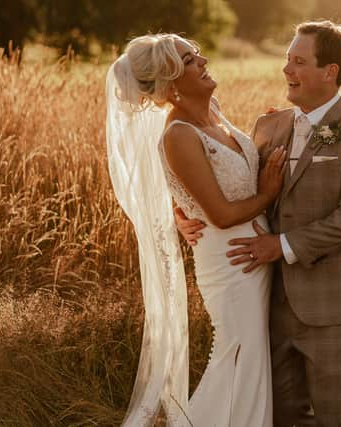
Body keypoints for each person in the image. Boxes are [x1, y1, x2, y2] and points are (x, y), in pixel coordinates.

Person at [176, 21, 341, 427]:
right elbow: (225, 179)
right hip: (271, 303)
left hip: (336, 306)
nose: (286, 70)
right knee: (279, 415)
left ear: (330, 72)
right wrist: (183, 213)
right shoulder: (268, 126)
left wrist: (281, 245)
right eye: (287, 60)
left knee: (335, 419)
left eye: (299, 62)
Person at [105, 33, 286, 427]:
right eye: (190, 60)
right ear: (171, 85)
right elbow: (220, 214)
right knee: (238, 353)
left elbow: (216, 175)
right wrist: (269, 193)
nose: (203, 61)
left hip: (255, 254)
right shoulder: (178, 135)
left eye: (197, 54)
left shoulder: (214, 111)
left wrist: (271, 128)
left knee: (251, 357)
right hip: (230, 262)